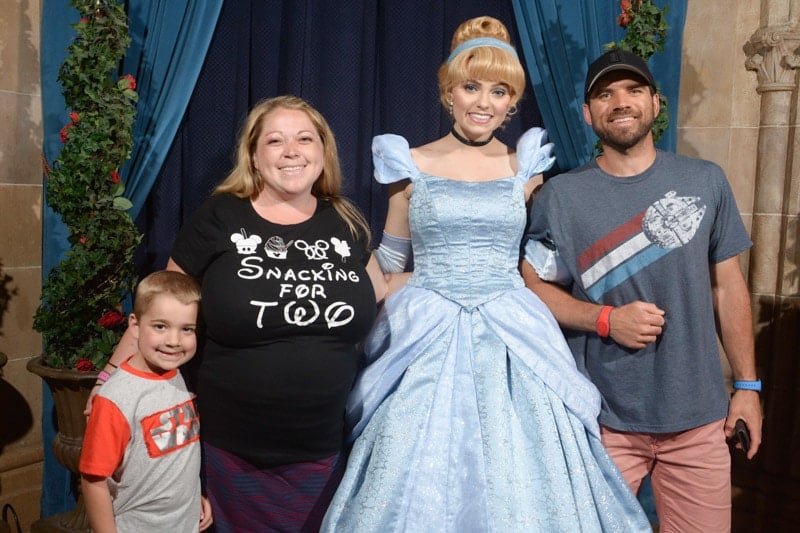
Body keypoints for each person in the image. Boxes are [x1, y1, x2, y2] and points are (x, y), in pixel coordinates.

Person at [321, 17, 650, 532]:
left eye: (499, 91)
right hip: (424, 331)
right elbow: (389, 261)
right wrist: (331, 262)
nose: (483, 102)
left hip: (512, 328)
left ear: (512, 101)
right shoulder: (409, 162)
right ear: (449, 91)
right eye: (471, 87)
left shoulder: (527, 165)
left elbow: (545, 255)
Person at [95, 95, 387, 531]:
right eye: (275, 140)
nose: (292, 150)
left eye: (305, 138)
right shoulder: (220, 215)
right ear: (253, 155)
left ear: (323, 151)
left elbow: (379, 289)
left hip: (322, 450)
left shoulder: (343, 221)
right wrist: (110, 385)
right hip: (230, 451)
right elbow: (163, 306)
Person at [521, 48, 763, 532]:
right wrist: (605, 320)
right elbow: (531, 287)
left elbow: (728, 285)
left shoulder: (705, 181)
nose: (621, 102)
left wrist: (748, 387)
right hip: (601, 420)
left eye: (634, 90)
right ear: (588, 115)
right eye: (605, 94)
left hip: (698, 422)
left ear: (656, 103)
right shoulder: (560, 198)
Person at [79, 270, 213, 532]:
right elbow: (93, 479)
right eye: (160, 326)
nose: (174, 341)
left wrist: (190, 498)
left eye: (186, 329)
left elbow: (171, 456)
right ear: (135, 326)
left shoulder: (176, 374)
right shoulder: (116, 397)